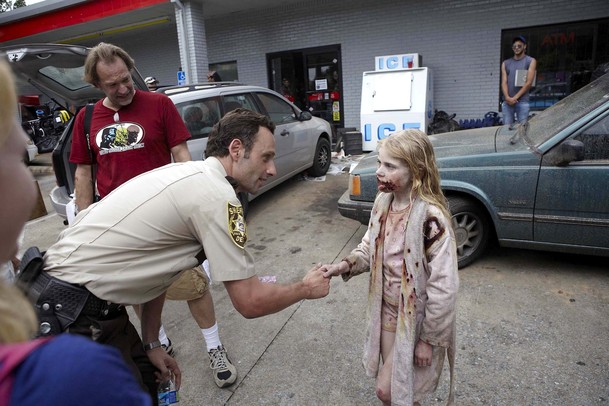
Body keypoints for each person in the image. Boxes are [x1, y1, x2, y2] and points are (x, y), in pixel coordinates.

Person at [21, 108, 330, 402]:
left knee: (148, 385)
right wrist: (304, 288)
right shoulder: (216, 196)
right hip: (68, 315)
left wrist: (152, 341)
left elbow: (160, 270)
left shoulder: (191, 174)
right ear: (236, 150)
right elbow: (250, 302)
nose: (272, 169)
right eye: (266, 157)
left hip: (70, 303)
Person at [70, 42, 237, 389]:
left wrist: (195, 208)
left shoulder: (159, 105)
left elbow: (181, 155)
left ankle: (214, 346)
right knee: (135, 291)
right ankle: (156, 341)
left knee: (193, 285)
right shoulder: (86, 119)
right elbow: (83, 174)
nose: (124, 87)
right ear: (98, 85)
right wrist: (83, 225)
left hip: (165, 223)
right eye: (113, 84)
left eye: (126, 78)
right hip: (117, 228)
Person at [0, 58, 151, 406]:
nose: (25, 138)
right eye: (8, 132)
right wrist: (86, 224)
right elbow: (82, 172)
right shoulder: (73, 371)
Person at [320, 129, 459, 406]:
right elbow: (369, 246)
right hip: (386, 313)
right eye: (379, 163)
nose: (379, 172)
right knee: (400, 391)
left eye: (390, 166)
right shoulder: (383, 203)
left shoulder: (431, 220)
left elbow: (444, 288)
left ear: (416, 170)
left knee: (388, 390)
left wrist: (428, 340)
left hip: (417, 320)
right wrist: (345, 265)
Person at [501, 35, 537, 128]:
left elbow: (528, 83)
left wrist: (514, 98)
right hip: (507, 102)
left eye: (519, 46)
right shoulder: (506, 63)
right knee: (506, 129)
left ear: (525, 46)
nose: (516, 48)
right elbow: (504, 82)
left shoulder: (530, 61)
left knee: (522, 130)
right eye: (514, 46)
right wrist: (507, 97)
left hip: (522, 102)